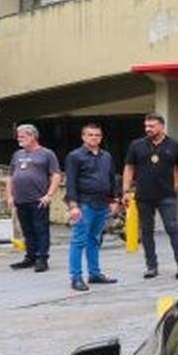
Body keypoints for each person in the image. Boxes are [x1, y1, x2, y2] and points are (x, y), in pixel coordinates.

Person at [122, 113, 178, 279]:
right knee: (146, 231)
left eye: (151, 126)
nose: (148, 129)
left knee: (172, 228)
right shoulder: (136, 145)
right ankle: (151, 266)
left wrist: (175, 185)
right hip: (143, 195)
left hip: (166, 195)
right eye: (146, 126)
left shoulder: (175, 145)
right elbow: (129, 167)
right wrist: (125, 190)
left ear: (161, 126)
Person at [63, 123, 120, 292]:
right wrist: (73, 206)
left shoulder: (106, 156)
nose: (94, 138)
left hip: (102, 204)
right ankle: (76, 277)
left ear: (101, 137)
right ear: (83, 137)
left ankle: (94, 274)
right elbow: (71, 182)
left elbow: (112, 179)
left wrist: (115, 200)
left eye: (97, 135)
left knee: (94, 240)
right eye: (90, 135)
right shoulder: (75, 156)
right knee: (79, 241)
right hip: (84, 204)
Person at [7, 124, 62, 273]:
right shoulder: (17, 155)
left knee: (41, 229)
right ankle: (30, 257)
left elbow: (56, 175)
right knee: (27, 230)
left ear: (33, 136)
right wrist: (10, 196)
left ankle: (42, 259)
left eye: (22, 136)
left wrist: (49, 195)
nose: (19, 139)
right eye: (18, 136)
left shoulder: (46, 153)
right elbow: (11, 176)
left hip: (38, 200)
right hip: (20, 200)